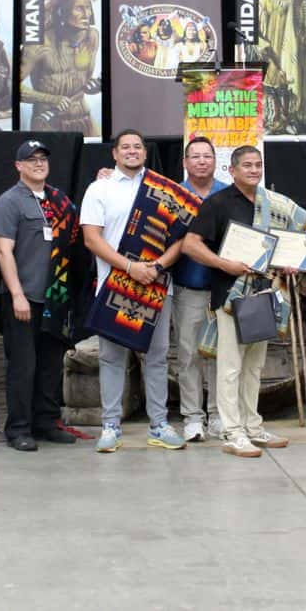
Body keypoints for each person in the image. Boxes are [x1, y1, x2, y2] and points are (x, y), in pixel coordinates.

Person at [180, 145, 306, 457]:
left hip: (264, 293)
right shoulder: (218, 203)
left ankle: (252, 426)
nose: (253, 170)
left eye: (258, 164)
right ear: (232, 170)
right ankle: (231, 431)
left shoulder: (272, 203)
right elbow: (190, 245)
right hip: (231, 294)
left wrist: (290, 262)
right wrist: (225, 264)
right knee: (230, 367)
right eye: (247, 165)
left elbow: (289, 244)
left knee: (254, 366)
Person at [80, 130, 187, 452]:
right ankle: (111, 426)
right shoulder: (99, 188)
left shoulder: (162, 189)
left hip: (156, 286)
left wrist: (156, 267)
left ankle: (159, 424)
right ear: (114, 153)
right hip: (114, 284)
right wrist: (129, 267)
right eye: (125, 147)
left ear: (145, 152)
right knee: (112, 359)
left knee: (156, 358)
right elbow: (91, 239)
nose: (131, 151)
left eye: (137, 147)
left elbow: (181, 237)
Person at [0, 140, 83, 451]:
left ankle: (46, 421)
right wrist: (16, 294)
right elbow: (4, 252)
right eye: (31, 160)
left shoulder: (59, 200)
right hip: (24, 297)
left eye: (43, 158)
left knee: (51, 365)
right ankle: (18, 428)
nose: (38, 163)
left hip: (55, 296)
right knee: (23, 366)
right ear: (18, 166)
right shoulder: (9, 201)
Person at [168, 136, 226, 442]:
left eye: (207, 156)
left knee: (220, 355)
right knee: (188, 354)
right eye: (195, 156)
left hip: (222, 289)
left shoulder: (228, 195)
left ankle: (218, 415)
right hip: (187, 286)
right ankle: (192, 416)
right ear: (185, 162)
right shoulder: (174, 196)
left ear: (216, 161)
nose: (202, 161)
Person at [21, 0, 101, 134]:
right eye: (79, 9)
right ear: (62, 12)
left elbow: (86, 79)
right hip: (49, 123)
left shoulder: (92, 37)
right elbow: (14, 89)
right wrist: (52, 99)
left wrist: (97, 86)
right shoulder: (40, 42)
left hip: (83, 119)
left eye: (88, 8)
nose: (86, 14)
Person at [257, 0, 306, 133]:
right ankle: (275, 120)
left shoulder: (301, 0)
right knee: (272, 86)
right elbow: (256, 27)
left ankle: (289, 119)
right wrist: (262, 45)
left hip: (293, 51)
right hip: (270, 48)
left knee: (288, 85)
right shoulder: (265, 0)